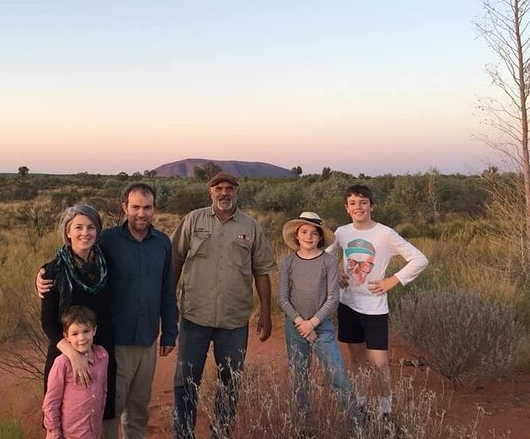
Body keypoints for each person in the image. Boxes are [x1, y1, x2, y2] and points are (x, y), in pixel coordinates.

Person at [38, 183, 179, 439]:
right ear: (124, 207)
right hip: (115, 343)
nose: (141, 213)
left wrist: (170, 330)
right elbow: (72, 257)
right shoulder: (109, 240)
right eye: (135, 207)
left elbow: (167, 288)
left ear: (154, 209)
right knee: (109, 409)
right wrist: (41, 275)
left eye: (147, 207)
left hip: (147, 339)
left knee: (139, 408)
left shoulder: (162, 243)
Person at [171, 172, 276, 439]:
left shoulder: (251, 226)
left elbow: (262, 270)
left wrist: (265, 311)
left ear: (237, 193)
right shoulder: (193, 220)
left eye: (230, 188)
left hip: (234, 320)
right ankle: (183, 433)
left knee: (230, 382)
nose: (224, 193)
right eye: (218, 188)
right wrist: (167, 304)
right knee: (186, 381)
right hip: (195, 315)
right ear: (210, 192)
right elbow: (175, 261)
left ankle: (221, 433)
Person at [326, 184, 428, 419]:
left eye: (363, 202)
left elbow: (419, 259)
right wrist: (338, 272)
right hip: (348, 304)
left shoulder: (385, 233)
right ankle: (360, 403)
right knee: (355, 357)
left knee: (380, 362)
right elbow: (327, 257)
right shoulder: (341, 233)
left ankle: (385, 409)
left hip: (374, 307)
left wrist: (393, 280)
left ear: (371, 205)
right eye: (353, 203)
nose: (358, 207)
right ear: (346, 208)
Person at [278, 211, 362, 428]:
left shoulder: (328, 261)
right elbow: (282, 298)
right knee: (299, 377)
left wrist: (312, 323)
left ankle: (356, 424)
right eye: (304, 232)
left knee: (337, 375)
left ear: (320, 237)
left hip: (321, 326)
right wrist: (300, 323)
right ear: (297, 235)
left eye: (313, 233)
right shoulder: (288, 262)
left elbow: (333, 298)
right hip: (294, 327)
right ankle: (304, 426)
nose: (308, 236)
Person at [40, 204, 116, 432]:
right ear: (67, 232)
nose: (85, 233)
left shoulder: (107, 264)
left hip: (102, 353)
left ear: (98, 231)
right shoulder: (53, 271)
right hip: (66, 353)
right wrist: (74, 355)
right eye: (78, 227)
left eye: (91, 227)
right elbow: (48, 322)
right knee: (66, 419)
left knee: (101, 416)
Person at [43, 305, 109, 439]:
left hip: (94, 432)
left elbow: (103, 390)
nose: (82, 338)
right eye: (75, 334)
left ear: (94, 330)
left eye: (86, 331)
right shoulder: (62, 364)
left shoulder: (102, 356)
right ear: (66, 336)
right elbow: (51, 402)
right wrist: (54, 433)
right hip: (70, 435)